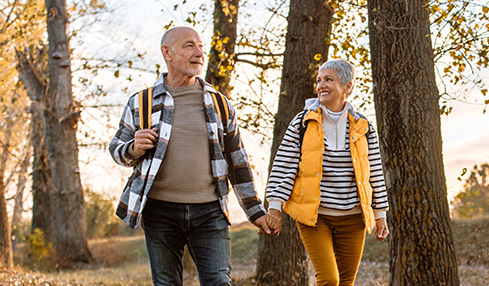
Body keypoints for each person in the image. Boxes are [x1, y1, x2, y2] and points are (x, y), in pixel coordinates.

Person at [108, 26, 277, 286]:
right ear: (167, 52)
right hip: (159, 211)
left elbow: (238, 161)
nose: (199, 52)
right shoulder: (141, 103)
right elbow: (117, 150)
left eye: (200, 45)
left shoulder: (220, 104)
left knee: (219, 281)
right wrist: (134, 148)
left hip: (210, 211)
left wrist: (255, 211)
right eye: (189, 45)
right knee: (166, 283)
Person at [265, 59, 390, 286]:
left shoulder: (363, 126)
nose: (321, 85)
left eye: (328, 79)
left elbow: (375, 173)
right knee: (329, 280)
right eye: (319, 80)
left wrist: (380, 214)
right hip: (315, 217)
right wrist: (274, 207)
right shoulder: (302, 122)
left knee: (345, 282)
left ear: (347, 86)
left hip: (353, 218)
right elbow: (284, 165)